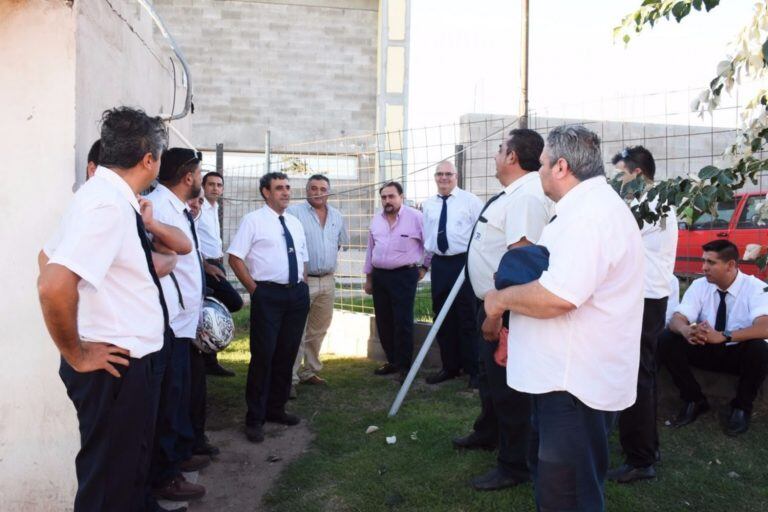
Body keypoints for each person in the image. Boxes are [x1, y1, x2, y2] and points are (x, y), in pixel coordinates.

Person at [484, 125, 645, 511]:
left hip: (574, 389)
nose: (536, 171)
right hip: (567, 382)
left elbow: (559, 296)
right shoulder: (583, 208)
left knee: (568, 496)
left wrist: (500, 299)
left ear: (560, 167)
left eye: (540, 164)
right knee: (561, 488)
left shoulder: (589, 216)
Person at [38, 107, 170, 511]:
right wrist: (77, 353)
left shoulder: (101, 195)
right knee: (110, 489)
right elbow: (53, 283)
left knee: (123, 477)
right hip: (115, 368)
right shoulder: (107, 205)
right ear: (149, 159)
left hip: (121, 364)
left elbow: (45, 255)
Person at [456, 128, 553, 492]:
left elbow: (523, 262)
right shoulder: (513, 194)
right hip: (489, 303)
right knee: (490, 381)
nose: (496, 154)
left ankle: (515, 465)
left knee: (511, 390)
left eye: (500, 149)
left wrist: (496, 317)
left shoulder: (526, 198)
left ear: (512, 157)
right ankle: (489, 433)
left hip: (505, 311)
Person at [608, 146, 678, 483]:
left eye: (621, 174)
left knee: (636, 375)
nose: (618, 182)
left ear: (636, 173)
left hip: (643, 298)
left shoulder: (648, 204)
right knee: (641, 373)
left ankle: (641, 458)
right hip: (648, 296)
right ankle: (646, 447)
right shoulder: (654, 201)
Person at [146, 148, 209, 503]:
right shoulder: (159, 206)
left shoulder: (176, 207)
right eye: (199, 173)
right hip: (170, 320)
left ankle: (180, 455)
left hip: (183, 320)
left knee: (181, 395)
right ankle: (167, 476)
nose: (200, 179)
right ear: (189, 176)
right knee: (170, 400)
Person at [228, 172, 310, 443]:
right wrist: (255, 290)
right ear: (266, 192)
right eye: (279, 188)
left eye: (287, 187)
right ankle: (255, 417)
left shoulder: (295, 223)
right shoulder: (253, 221)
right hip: (268, 295)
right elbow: (235, 257)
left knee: (287, 355)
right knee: (263, 355)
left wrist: (303, 286)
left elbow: (302, 258)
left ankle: (277, 408)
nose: (286, 192)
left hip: (296, 296)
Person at [659, 239, 768, 436]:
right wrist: (686, 330)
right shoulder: (700, 285)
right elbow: (678, 317)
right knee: (667, 338)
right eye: (704, 261)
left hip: (736, 352)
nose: (704, 268)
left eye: (711, 263)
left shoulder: (755, 288)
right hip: (706, 347)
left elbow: (765, 327)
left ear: (731, 265)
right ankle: (694, 399)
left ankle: (742, 408)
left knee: (760, 348)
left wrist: (724, 336)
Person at [421, 161, 482, 386]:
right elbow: (428, 238)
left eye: (448, 174)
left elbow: (481, 233)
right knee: (442, 316)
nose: (443, 178)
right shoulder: (428, 205)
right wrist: (426, 264)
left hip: (464, 263)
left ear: (456, 176)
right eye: (439, 174)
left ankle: (474, 370)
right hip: (441, 265)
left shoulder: (470, 201)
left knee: (467, 316)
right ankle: (450, 367)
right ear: (435, 177)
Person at [288, 174, 349, 390]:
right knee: (297, 330)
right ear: (306, 191)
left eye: (323, 188)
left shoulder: (337, 216)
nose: (318, 192)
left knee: (319, 329)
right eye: (313, 188)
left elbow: (341, 244)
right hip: (304, 281)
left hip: (328, 281)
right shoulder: (293, 213)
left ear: (329, 191)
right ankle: (290, 379)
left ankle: (309, 371)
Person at [363, 181, 427, 383]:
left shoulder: (416, 218)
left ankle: (404, 366)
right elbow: (370, 250)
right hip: (380, 276)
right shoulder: (376, 220)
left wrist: (424, 267)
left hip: (404, 276)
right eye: (384, 197)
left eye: (391, 196)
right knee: (383, 320)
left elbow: (430, 245)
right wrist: (369, 277)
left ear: (402, 197)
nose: (387, 201)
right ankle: (392, 361)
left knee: (402, 321)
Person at [197, 171, 242, 377]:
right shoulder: (198, 207)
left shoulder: (214, 208)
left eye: (219, 185)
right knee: (234, 302)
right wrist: (205, 264)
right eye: (211, 184)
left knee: (210, 315)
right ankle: (201, 353)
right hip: (205, 267)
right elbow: (192, 240)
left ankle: (208, 360)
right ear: (203, 186)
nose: (215, 188)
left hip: (218, 264)